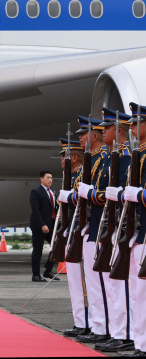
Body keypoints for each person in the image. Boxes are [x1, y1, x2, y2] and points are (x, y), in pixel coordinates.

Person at [79, 109, 133, 349]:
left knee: (116, 285)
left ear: (116, 130)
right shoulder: (107, 158)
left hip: (114, 225)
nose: (101, 133)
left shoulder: (126, 157)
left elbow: (119, 192)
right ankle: (106, 328)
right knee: (102, 283)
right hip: (100, 225)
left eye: (105, 129)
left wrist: (91, 194)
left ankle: (119, 332)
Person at [60, 115, 112, 345]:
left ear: (93, 135)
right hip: (83, 227)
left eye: (82, 134)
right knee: (88, 280)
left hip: (98, 226)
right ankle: (88, 324)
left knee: (100, 281)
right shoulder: (93, 163)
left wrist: (77, 196)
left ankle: (102, 327)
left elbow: (103, 194)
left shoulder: (107, 159)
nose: (80, 137)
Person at [115, 102, 146, 357]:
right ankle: (140, 344)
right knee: (138, 293)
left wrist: (141, 195)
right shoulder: (140, 154)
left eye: (137, 123)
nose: (133, 128)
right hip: (138, 232)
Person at [55, 136, 90, 338]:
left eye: (65, 157)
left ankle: (89, 322)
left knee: (84, 282)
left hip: (81, 230)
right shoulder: (73, 177)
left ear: (74, 158)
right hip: (72, 231)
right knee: (75, 282)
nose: (62, 161)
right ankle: (80, 321)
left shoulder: (83, 176)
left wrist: (71, 197)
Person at [29, 170, 59, 282]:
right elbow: (35, 210)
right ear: (41, 179)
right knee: (38, 250)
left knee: (56, 247)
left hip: (51, 225)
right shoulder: (36, 192)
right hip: (39, 226)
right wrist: (42, 224)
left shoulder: (52, 192)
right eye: (47, 177)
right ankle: (35, 275)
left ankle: (48, 270)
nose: (50, 180)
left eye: (51, 178)